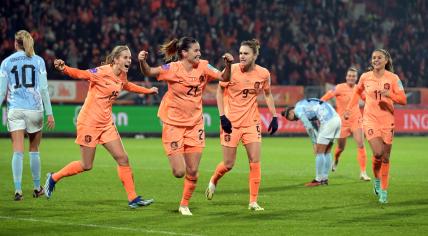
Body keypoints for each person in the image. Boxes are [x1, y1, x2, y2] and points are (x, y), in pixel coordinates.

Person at [44, 45, 158, 208]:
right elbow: (82, 74)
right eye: (125, 57)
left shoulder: (122, 74)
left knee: (123, 158)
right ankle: (53, 178)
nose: (129, 60)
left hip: (106, 124)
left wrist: (147, 91)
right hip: (89, 123)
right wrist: (64, 68)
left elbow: (128, 86)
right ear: (116, 59)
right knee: (86, 165)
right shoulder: (102, 72)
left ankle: (133, 198)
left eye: (130, 58)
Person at [138, 36, 233, 216]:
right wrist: (142, 61)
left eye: (199, 50)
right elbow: (149, 72)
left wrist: (228, 65)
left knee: (193, 170)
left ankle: (184, 204)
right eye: (196, 50)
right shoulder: (173, 69)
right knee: (179, 171)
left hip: (195, 124)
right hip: (173, 123)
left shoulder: (204, 66)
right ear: (184, 53)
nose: (199, 53)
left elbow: (223, 77)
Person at [205, 39, 278, 211]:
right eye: (240, 53)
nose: (242, 56)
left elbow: (267, 94)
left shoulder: (263, 73)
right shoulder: (232, 70)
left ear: (254, 55)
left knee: (255, 161)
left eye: (246, 53)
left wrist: (274, 116)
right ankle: (214, 179)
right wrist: (222, 116)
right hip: (231, 123)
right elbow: (219, 91)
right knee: (228, 164)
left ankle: (253, 201)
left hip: (251, 122)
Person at [344, 49, 406, 204]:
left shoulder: (393, 78)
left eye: (379, 57)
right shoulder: (365, 77)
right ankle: (377, 181)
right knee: (378, 153)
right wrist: (348, 109)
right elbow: (357, 93)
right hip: (370, 119)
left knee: (385, 157)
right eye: (373, 58)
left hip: (388, 120)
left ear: (386, 60)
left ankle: (383, 191)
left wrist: (389, 95)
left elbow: (403, 100)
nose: (376, 60)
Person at [0, 30, 55, 201]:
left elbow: (1, 92)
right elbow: (45, 89)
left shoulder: (6, 62)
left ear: (15, 43)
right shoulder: (38, 61)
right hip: (34, 110)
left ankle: (18, 190)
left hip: (15, 109)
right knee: (34, 149)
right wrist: (50, 113)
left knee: (17, 150)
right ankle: (37, 188)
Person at [320, 67, 371, 181]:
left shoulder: (359, 89)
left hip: (356, 119)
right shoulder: (339, 87)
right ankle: (336, 159)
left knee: (361, 144)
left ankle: (363, 172)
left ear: (356, 78)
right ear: (346, 77)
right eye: (349, 76)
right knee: (341, 147)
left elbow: (367, 100)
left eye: (353, 76)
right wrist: (319, 104)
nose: (351, 78)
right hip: (342, 122)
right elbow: (328, 96)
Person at [282, 98, 341, 187]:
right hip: (337, 119)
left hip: (328, 121)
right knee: (327, 151)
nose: (294, 120)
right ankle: (324, 179)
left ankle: (318, 180)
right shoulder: (304, 105)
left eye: (290, 119)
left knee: (319, 152)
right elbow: (314, 124)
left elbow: (308, 127)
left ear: (290, 112)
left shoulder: (298, 109)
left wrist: (314, 143)